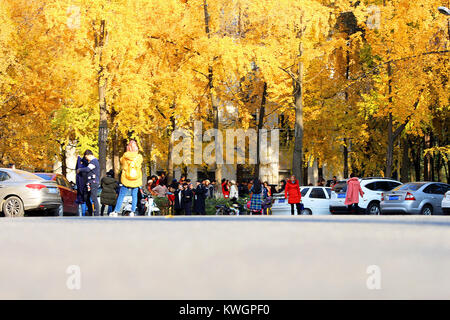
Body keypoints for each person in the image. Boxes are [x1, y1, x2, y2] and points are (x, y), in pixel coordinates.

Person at [111, 140, 143, 217]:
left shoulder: (124, 157)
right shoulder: (139, 157)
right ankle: (132, 211)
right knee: (134, 195)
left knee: (121, 195)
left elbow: (123, 164)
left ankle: (116, 211)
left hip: (126, 179)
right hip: (136, 179)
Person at [77, 150, 101, 216]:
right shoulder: (92, 161)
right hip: (90, 182)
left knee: (94, 197)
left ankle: (96, 213)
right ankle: (90, 211)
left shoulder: (94, 161)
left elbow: (87, 169)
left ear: (89, 155)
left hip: (93, 182)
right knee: (86, 197)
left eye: (86, 157)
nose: (87, 159)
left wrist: (80, 170)